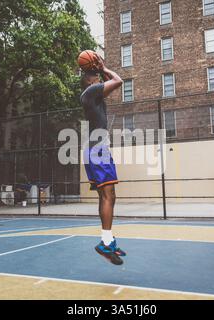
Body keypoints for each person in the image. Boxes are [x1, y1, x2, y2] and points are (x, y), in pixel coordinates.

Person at [80, 54, 126, 265]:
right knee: (109, 196)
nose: (102, 83)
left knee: (107, 196)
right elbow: (118, 81)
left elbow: (109, 82)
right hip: (97, 150)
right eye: (99, 79)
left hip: (95, 149)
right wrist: (105, 68)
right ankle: (106, 243)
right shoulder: (91, 90)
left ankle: (107, 240)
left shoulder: (91, 94)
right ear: (92, 79)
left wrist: (99, 69)